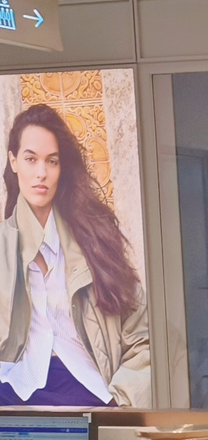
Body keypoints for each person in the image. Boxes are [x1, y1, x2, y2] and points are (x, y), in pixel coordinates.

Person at [0, 105, 150, 407]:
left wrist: (121, 401)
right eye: (31, 159)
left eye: (51, 161)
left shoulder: (95, 243)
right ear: (14, 162)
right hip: (15, 388)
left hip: (88, 390)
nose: (41, 173)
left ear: (61, 169)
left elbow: (143, 339)